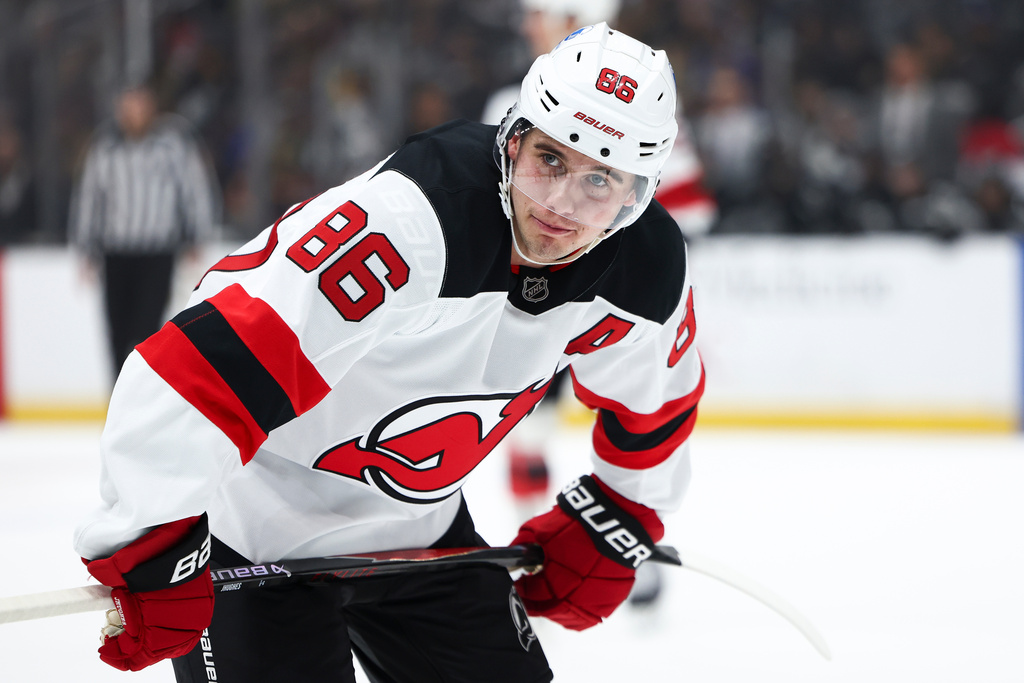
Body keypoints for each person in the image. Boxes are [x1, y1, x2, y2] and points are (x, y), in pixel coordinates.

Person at [73, 24, 703, 682]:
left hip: (422, 536)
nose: (561, 205)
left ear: (639, 197)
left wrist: (620, 511)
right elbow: (189, 372)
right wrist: (151, 541)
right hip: (253, 533)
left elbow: (657, 403)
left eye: (601, 181)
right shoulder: (407, 224)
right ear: (513, 138)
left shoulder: (644, 267)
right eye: (550, 160)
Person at [68, 81, 219, 380]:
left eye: (140, 104)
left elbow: (194, 189)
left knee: (147, 330)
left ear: (152, 108)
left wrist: (197, 235)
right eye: (128, 105)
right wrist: (85, 247)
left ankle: (140, 394)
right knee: (116, 330)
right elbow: (89, 198)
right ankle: (118, 395)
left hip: (157, 251)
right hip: (116, 251)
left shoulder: (172, 146)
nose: (134, 112)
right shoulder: (105, 149)